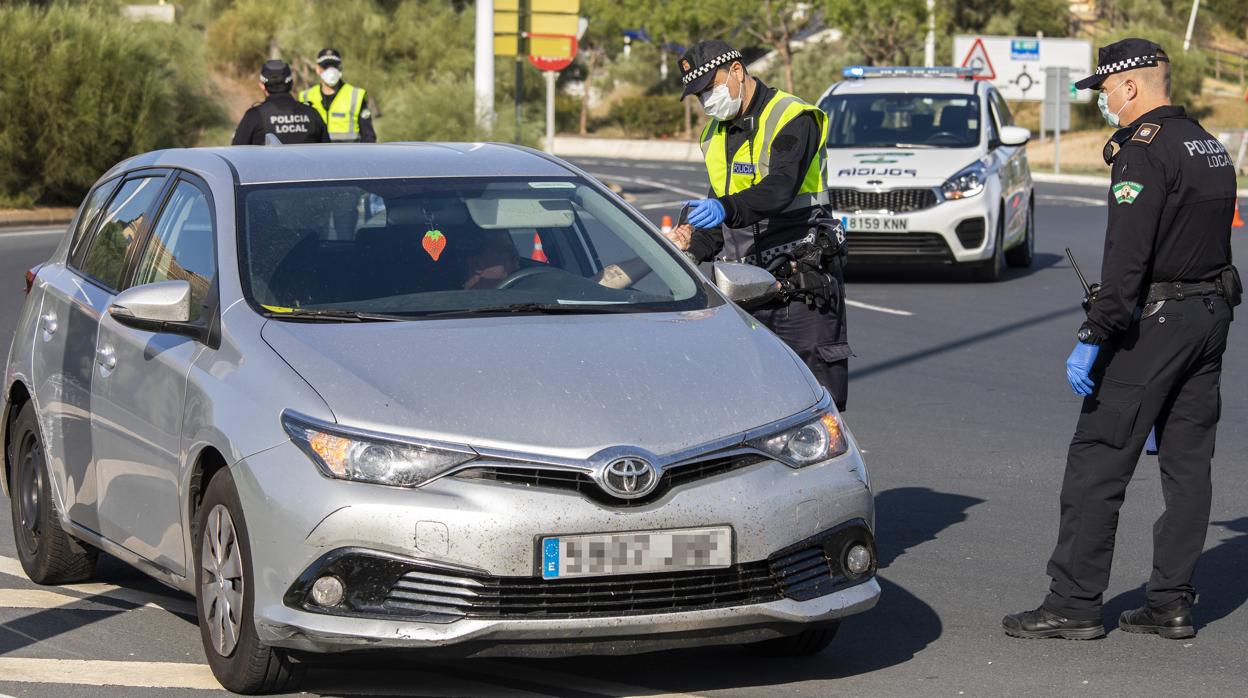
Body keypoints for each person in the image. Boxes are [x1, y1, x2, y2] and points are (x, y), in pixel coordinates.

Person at [1003, 38, 1241, 641]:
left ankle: (1073, 603)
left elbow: (1127, 262)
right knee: (1188, 464)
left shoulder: (1143, 153)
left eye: (1105, 90)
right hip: (1210, 314)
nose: (1103, 101)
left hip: (1155, 322)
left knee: (1097, 460)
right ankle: (1171, 601)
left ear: (1131, 84)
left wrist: (1095, 331)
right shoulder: (1208, 145)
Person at [667, 40, 850, 411]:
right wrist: (688, 242)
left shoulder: (793, 117)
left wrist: (724, 208)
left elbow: (779, 188)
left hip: (801, 287)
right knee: (754, 406)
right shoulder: (714, 136)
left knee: (814, 402)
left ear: (736, 70)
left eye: (709, 89)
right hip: (746, 291)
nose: (706, 102)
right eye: (699, 96)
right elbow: (716, 227)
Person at [232, 60, 329, 145]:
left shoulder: (254, 116)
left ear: (262, 85)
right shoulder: (312, 114)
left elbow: (236, 154)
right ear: (291, 84)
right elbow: (328, 153)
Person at [298, 48, 377, 143]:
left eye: (334, 66)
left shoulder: (356, 96)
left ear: (340, 68)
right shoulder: (305, 97)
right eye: (326, 67)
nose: (331, 71)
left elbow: (368, 136)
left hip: (348, 155)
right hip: (316, 156)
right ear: (318, 69)